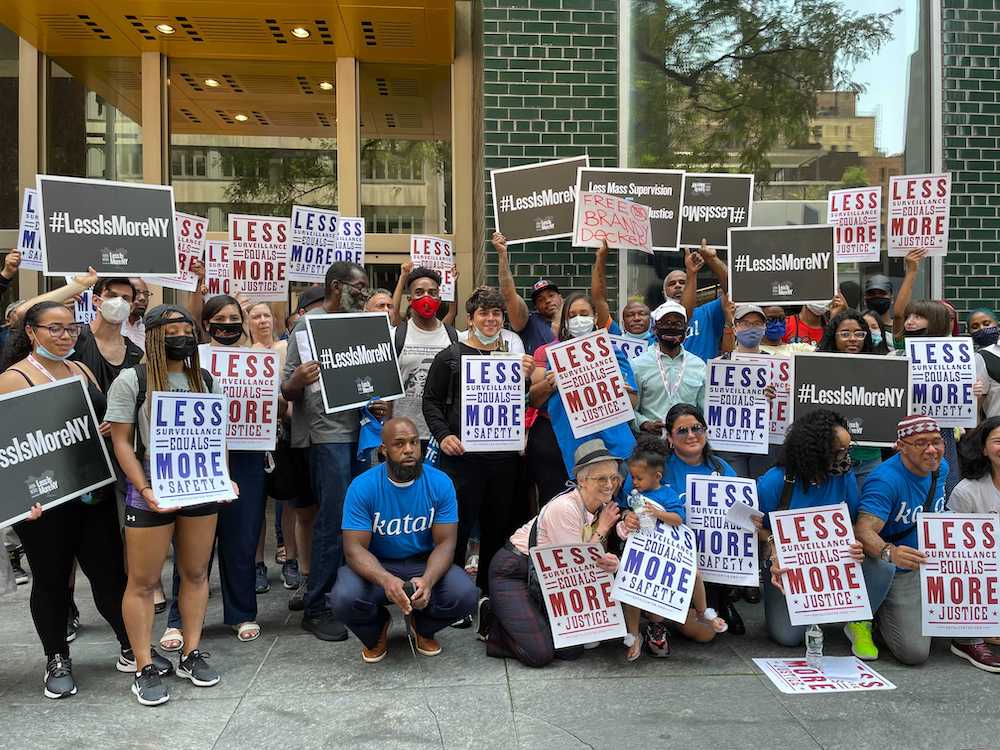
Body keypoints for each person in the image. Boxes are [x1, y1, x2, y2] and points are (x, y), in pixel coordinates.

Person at [0, 301, 157, 700]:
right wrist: (17, 498)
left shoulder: (81, 369)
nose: (65, 336)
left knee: (109, 574)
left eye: (71, 329)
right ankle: (57, 658)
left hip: (92, 492)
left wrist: (105, 426)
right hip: (44, 505)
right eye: (55, 329)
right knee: (51, 580)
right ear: (31, 332)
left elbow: (98, 420)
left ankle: (131, 646)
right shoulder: (13, 380)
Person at [106, 304, 235, 705]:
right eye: (173, 328)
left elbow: (217, 438)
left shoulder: (205, 380)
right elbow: (122, 442)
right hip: (151, 491)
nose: (183, 335)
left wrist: (223, 475)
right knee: (143, 582)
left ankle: (190, 651)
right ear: (155, 335)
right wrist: (143, 489)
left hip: (198, 488)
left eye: (187, 328)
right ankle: (144, 664)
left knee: (196, 573)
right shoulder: (133, 380)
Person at [283, 261, 387, 641]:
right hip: (326, 436)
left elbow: (376, 380)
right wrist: (297, 379)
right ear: (336, 286)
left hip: (361, 432)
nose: (364, 294)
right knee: (334, 517)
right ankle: (317, 606)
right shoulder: (306, 328)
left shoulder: (363, 326)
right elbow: (288, 390)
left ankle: (347, 592)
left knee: (359, 515)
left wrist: (380, 403)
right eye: (359, 287)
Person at [855, 415, 1000, 670]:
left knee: (974, 559)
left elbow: (934, 509)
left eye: (936, 441)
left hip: (935, 559)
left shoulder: (940, 467)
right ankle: (876, 613)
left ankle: (968, 638)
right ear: (900, 446)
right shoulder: (885, 480)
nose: (931, 449)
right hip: (902, 566)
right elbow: (863, 530)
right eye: (920, 442)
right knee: (915, 653)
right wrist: (891, 552)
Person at [329, 418, 478, 662]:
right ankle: (376, 629)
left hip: (422, 563)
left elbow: (446, 544)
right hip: (377, 565)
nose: (409, 449)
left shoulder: (440, 483)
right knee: (343, 597)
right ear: (383, 450)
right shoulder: (363, 486)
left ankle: (423, 627)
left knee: (465, 594)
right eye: (399, 444)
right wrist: (386, 579)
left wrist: (428, 581)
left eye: (413, 442)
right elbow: (354, 549)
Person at [422, 286, 535, 594]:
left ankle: (489, 592)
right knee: (455, 528)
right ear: (470, 319)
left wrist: (527, 377)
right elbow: (430, 402)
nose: (490, 320)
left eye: (496, 314)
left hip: (503, 461)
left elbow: (523, 405)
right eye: (483, 313)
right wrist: (443, 436)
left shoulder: (513, 360)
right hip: (461, 461)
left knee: (499, 528)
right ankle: (453, 593)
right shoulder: (450, 357)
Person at [756, 410, 893, 658]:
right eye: (838, 451)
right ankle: (811, 612)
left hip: (833, 563)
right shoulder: (776, 481)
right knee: (788, 637)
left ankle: (859, 621)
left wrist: (854, 543)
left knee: (883, 566)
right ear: (814, 451)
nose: (845, 457)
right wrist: (773, 547)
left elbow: (849, 522)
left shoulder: (844, 477)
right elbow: (758, 526)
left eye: (847, 449)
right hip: (787, 566)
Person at [479, 439, 626, 667]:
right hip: (514, 570)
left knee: (570, 650)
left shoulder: (599, 505)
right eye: (601, 478)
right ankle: (494, 624)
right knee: (539, 654)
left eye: (614, 478)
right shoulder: (566, 507)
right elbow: (577, 563)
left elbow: (591, 561)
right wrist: (604, 528)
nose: (609, 484)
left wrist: (612, 562)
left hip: (547, 577)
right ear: (582, 481)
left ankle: (527, 618)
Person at [622, 437, 727, 660]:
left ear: (657, 476)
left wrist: (657, 513)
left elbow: (679, 519)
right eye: (632, 477)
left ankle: (703, 612)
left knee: (695, 575)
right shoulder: (634, 495)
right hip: (643, 550)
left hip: (670, 551)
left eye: (639, 478)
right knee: (630, 586)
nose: (634, 482)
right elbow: (626, 515)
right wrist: (627, 518)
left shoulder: (667, 494)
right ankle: (634, 634)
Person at [527, 290, 637, 498]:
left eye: (584, 314)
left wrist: (622, 389)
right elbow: (533, 400)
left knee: (616, 505)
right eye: (572, 315)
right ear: (566, 322)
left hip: (614, 445)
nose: (578, 320)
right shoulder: (557, 356)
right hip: (574, 448)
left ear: (595, 317)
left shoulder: (613, 351)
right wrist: (550, 383)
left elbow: (632, 402)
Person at [657, 403, 742, 637]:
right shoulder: (659, 468)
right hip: (673, 558)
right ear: (670, 438)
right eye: (682, 431)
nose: (692, 435)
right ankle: (659, 614)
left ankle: (722, 600)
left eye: (697, 428)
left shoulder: (721, 468)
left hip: (712, 561)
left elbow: (740, 511)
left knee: (707, 633)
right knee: (703, 633)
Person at [17, 273, 143, 392]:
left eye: (125, 298)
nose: (119, 302)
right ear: (95, 300)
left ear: (131, 307)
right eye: (112, 296)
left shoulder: (135, 352)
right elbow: (23, 312)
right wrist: (78, 286)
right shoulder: (72, 337)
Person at [392, 266, 459, 450]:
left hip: (443, 437)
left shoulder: (455, 338)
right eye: (419, 292)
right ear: (410, 299)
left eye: (432, 292)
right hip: (402, 437)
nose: (426, 297)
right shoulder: (395, 336)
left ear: (439, 297)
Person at [816, 309, 883, 489]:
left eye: (859, 333)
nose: (853, 338)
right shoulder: (815, 369)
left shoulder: (883, 369)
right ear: (833, 336)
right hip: (830, 457)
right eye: (845, 334)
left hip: (869, 459)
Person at [632, 301, 706, 435]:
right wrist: (644, 423)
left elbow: (705, 410)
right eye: (666, 323)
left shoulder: (699, 366)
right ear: (655, 329)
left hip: (687, 440)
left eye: (678, 324)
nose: (672, 327)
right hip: (651, 443)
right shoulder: (638, 365)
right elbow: (630, 409)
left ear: (686, 328)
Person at [491, 231, 561, 355]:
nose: (548, 300)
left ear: (561, 298)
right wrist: (502, 254)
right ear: (536, 307)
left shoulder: (576, 321)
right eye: (541, 299)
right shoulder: (530, 323)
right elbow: (508, 294)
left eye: (551, 295)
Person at [663, 240, 728, 361]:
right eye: (672, 284)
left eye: (683, 282)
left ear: (692, 286)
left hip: (702, 378)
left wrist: (713, 260)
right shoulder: (655, 318)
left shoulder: (708, 313)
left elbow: (732, 291)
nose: (678, 285)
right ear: (664, 292)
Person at [862, 274, 895, 349]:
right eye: (872, 294)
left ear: (892, 298)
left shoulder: (899, 329)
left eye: (882, 294)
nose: (877, 297)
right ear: (865, 299)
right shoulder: (859, 326)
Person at [121, 278, 150, 350]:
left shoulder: (148, 328)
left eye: (146, 294)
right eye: (136, 293)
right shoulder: (112, 326)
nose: (142, 298)